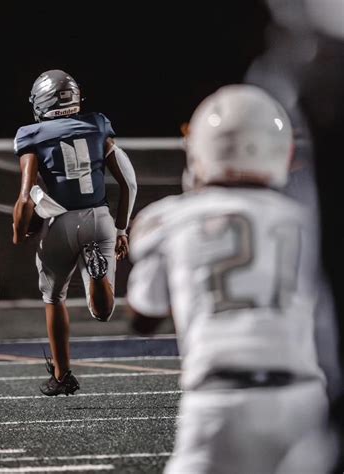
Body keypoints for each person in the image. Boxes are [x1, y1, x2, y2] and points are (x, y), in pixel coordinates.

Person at [127, 84, 336, 473]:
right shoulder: (308, 221)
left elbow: (144, 316)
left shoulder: (169, 219)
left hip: (217, 400)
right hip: (304, 399)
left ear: (200, 151)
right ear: (283, 151)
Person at [12, 69, 137, 397]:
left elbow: (25, 198)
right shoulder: (97, 124)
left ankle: (62, 375)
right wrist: (122, 229)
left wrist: (19, 233)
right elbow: (129, 182)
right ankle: (97, 275)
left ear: (41, 102)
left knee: (54, 298)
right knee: (102, 312)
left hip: (59, 220)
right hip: (99, 218)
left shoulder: (31, 134)